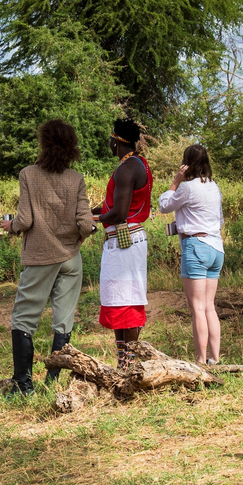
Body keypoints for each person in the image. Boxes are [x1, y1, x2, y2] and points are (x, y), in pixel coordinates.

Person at [0, 119, 97, 395]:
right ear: (71, 146)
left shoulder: (28, 174)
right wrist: (80, 237)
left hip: (40, 256)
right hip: (70, 258)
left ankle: (23, 384)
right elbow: (86, 223)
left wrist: (12, 226)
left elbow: (26, 220)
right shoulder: (76, 178)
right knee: (63, 321)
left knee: (23, 319)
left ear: (44, 143)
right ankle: (53, 384)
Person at [159, 143, 224, 365]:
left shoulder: (187, 187)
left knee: (197, 308)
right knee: (209, 306)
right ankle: (215, 359)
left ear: (187, 164)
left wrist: (175, 181)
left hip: (195, 246)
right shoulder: (214, 187)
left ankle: (199, 361)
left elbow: (164, 206)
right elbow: (219, 219)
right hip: (216, 246)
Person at [94, 118, 152, 370]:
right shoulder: (139, 164)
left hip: (124, 243)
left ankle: (128, 365)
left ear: (116, 140)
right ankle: (124, 362)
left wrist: (92, 218)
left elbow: (118, 214)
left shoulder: (127, 168)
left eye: (110, 139)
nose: (109, 143)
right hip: (127, 240)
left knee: (125, 304)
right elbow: (117, 208)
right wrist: (95, 211)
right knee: (120, 302)